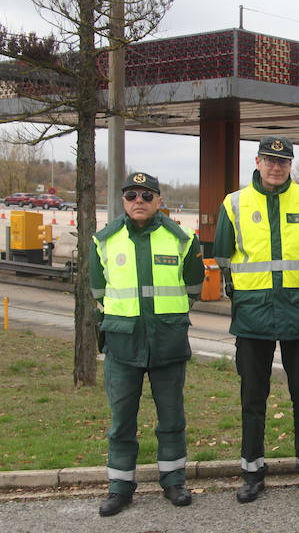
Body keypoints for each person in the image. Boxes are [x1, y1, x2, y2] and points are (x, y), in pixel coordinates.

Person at [212, 136, 299, 503]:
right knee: (253, 397)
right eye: (269, 159)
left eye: (283, 161)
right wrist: (246, 294)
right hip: (253, 316)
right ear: (257, 161)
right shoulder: (234, 203)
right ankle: (252, 472)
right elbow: (223, 257)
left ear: (291, 165)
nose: (276, 166)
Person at [91, 172, 204, 516]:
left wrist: (165, 319)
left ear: (159, 200)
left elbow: (194, 289)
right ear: (122, 201)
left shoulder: (181, 239)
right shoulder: (105, 240)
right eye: (130, 195)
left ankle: (174, 482)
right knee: (121, 421)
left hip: (167, 344)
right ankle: (120, 488)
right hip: (122, 347)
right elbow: (99, 293)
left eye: (145, 195)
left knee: (171, 418)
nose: (138, 201)